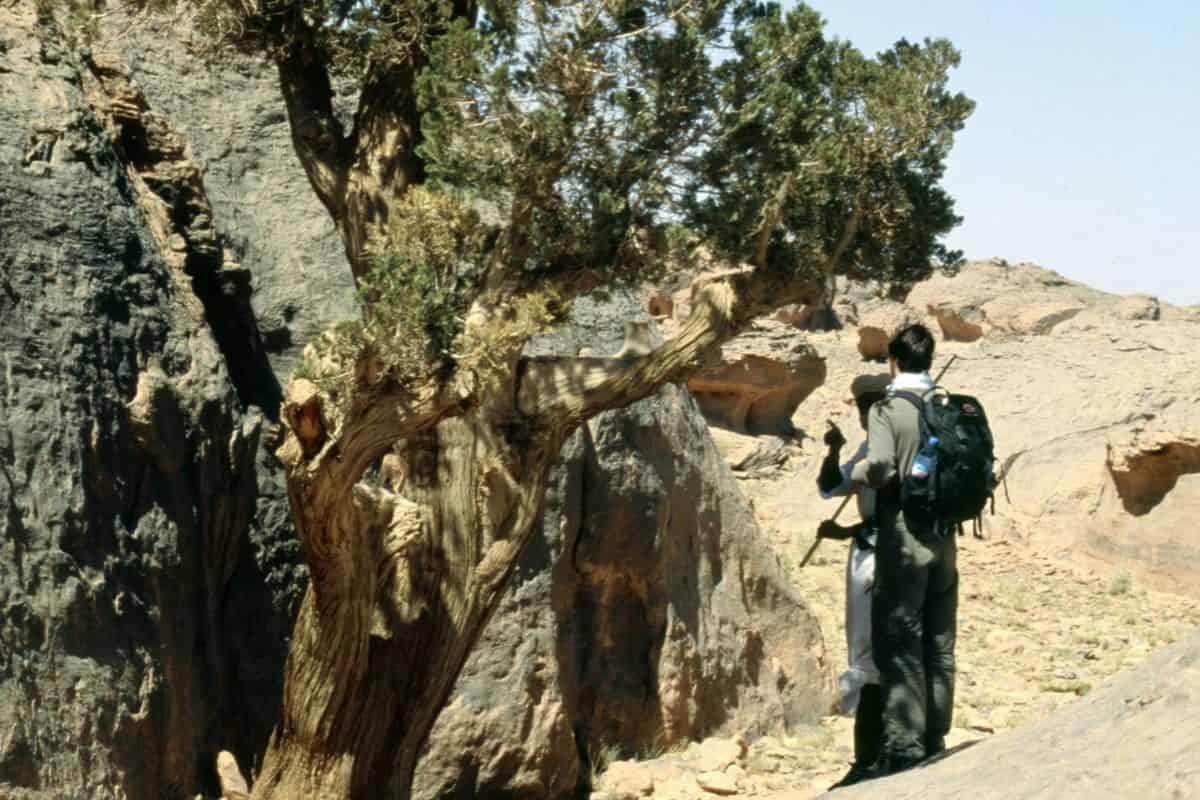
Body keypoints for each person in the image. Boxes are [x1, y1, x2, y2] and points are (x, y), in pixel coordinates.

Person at [849, 323, 958, 779]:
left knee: (899, 641)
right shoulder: (947, 404)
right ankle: (936, 735)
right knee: (939, 642)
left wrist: (858, 473)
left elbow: (879, 467)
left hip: (905, 538)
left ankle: (905, 747)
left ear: (894, 361)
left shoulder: (887, 409)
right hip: (946, 539)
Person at [815, 373, 889, 790]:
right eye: (863, 409)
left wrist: (844, 533)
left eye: (872, 408)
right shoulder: (866, 447)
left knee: (869, 654)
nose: (866, 416)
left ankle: (869, 760)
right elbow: (831, 487)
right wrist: (834, 451)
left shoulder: (886, 446)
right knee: (870, 651)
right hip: (872, 551)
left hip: (879, 557)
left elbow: (888, 515)